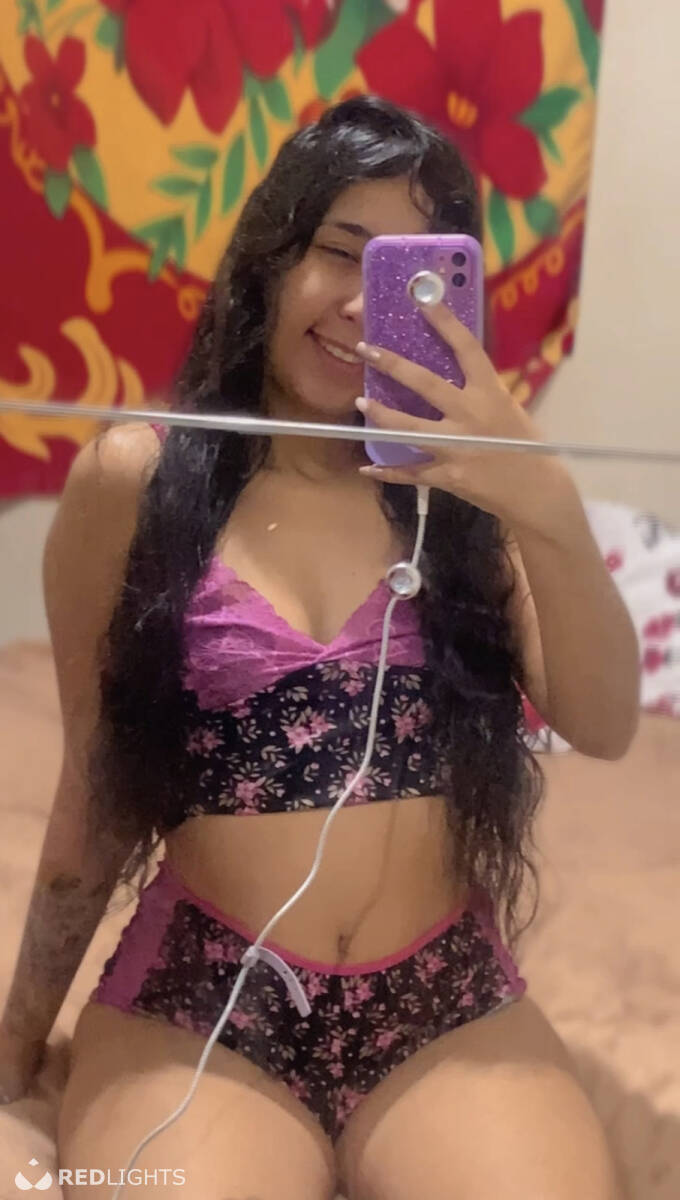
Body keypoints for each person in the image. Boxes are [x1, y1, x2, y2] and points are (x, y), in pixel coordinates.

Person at [1, 96, 638, 1199]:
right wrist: (17, 1050)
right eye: (338, 253)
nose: (357, 307)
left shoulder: (465, 498)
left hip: (441, 1003)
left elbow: (605, 721)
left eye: (406, 279)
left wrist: (544, 501)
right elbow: (95, 793)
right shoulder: (141, 479)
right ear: (271, 257)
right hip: (203, 999)